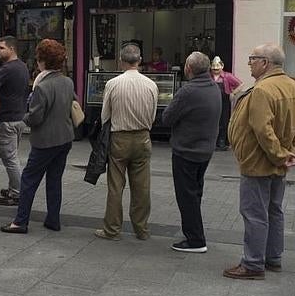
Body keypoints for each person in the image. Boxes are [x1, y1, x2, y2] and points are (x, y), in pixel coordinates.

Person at [223, 43, 295, 280]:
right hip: (277, 163)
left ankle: (252, 264)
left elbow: (263, 130)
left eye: (253, 58)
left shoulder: (263, 90)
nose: (249, 62)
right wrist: (292, 153)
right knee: (274, 211)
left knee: (254, 213)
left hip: (259, 162)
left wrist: (281, 155)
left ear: (266, 63)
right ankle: (272, 257)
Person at [0, 39, 75, 234]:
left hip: (45, 140)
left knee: (29, 180)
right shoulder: (67, 82)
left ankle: (20, 221)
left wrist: (25, 116)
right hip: (65, 138)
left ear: (42, 61)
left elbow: (35, 117)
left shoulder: (42, 87)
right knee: (54, 180)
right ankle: (53, 219)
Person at [95, 44, 158, 241]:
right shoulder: (151, 85)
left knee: (115, 185)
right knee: (142, 186)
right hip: (142, 137)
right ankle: (142, 229)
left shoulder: (113, 84)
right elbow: (153, 114)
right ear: (139, 60)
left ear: (121, 61)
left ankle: (112, 229)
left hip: (119, 137)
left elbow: (105, 115)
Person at [161, 52, 221, 253]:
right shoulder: (214, 86)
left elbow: (167, 118)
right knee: (195, 193)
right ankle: (194, 232)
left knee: (186, 196)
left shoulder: (188, 91)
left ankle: (195, 239)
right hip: (205, 149)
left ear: (188, 68)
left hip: (187, 150)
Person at [0, 36, 30, 206]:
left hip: (7, 118)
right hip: (19, 117)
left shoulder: (6, 69)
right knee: (13, 155)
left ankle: (16, 192)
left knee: (9, 157)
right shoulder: (23, 67)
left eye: (1, 48)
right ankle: (14, 187)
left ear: (12, 49)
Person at [210, 56, 243, 151]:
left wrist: (233, 93)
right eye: (213, 66)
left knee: (223, 121)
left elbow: (240, 84)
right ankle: (213, 142)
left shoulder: (227, 76)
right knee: (213, 121)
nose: (215, 68)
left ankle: (222, 141)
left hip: (224, 102)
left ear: (222, 66)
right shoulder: (209, 76)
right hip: (211, 102)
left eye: (217, 66)